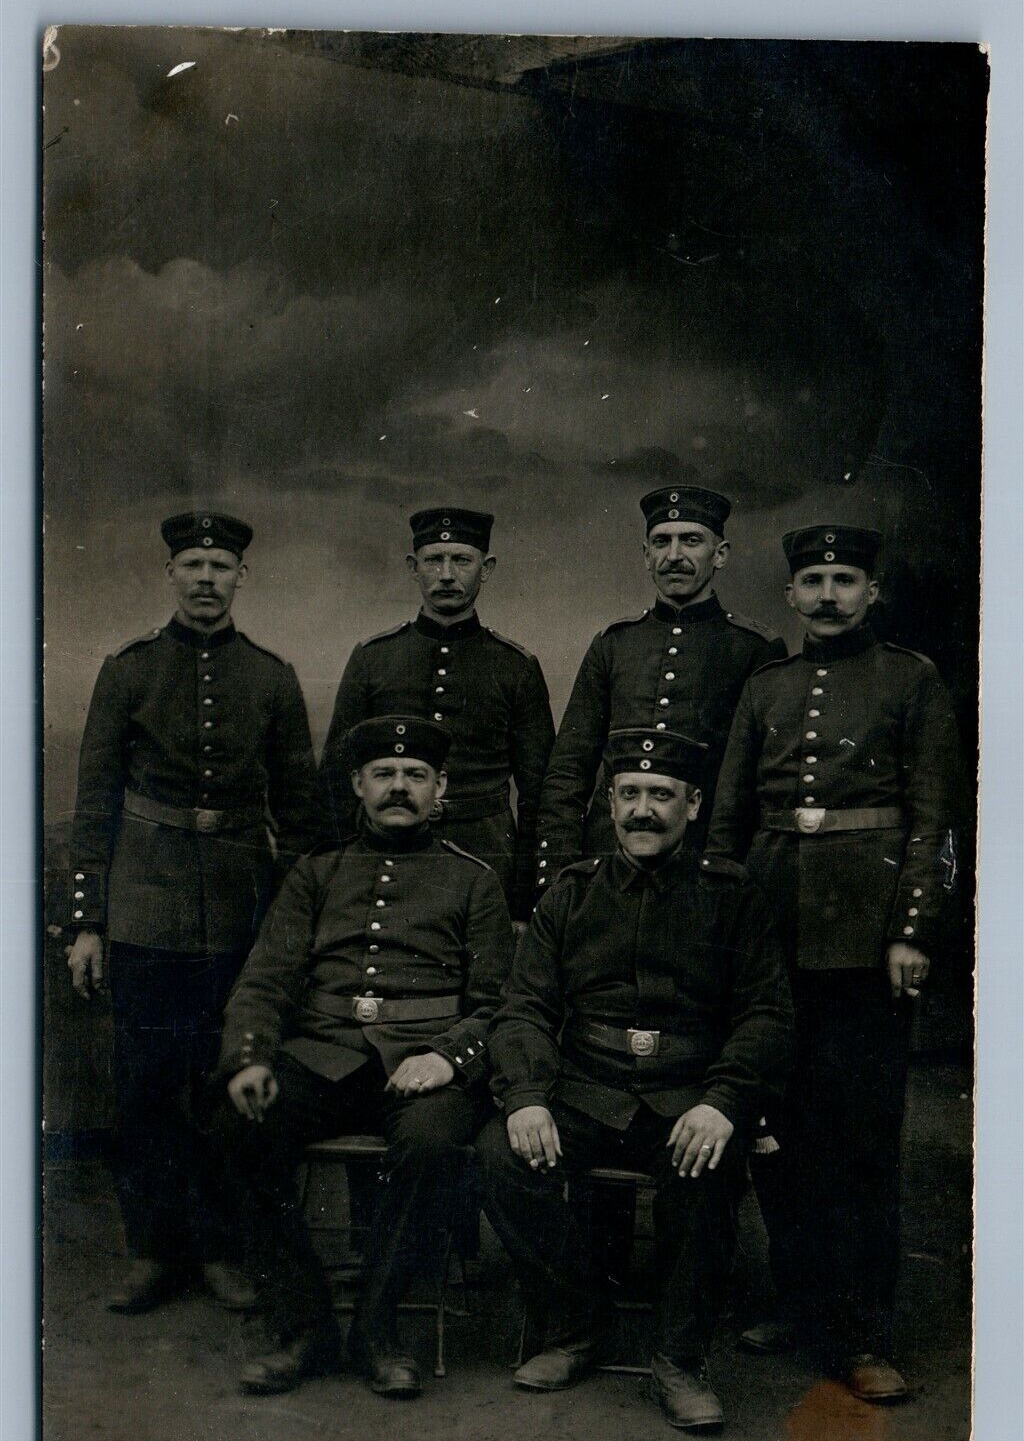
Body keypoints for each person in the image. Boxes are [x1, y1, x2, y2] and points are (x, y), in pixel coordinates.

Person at [704, 524, 961, 1401]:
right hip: (772, 925)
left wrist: (912, 932)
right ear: (789, 595)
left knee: (858, 1141)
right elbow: (729, 820)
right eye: (811, 580)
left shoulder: (912, 680)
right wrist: (723, 930)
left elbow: (936, 821)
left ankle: (862, 1332)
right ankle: (801, 1299)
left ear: (871, 592)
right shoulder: (766, 685)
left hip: (865, 937)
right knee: (777, 1130)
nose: (826, 595)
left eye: (843, 580)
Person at [476, 727, 793, 1431]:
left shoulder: (730, 896)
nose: (642, 810)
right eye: (629, 794)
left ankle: (679, 1359)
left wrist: (723, 1102)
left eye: (660, 795)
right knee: (500, 1156)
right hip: (589, 1089)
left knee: (708, 1167)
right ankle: (575, 1326)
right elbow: (523, 1009)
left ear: (693, 804)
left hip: (687, 1092)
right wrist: (527, 1097)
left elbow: (767, 1014)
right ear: (609, 803)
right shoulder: (572, 895)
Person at [210, 715, 514, 1397]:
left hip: (425, 1066)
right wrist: (252, 1058)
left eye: (414, 777)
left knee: (433, 1146)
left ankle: (378, 1330)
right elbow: (266, 977)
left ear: (440, 790)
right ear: (357, 784)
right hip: (324, 1056)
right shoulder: (317, 873)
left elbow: (503, 1002)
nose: (398, 789)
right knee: (237, 1125)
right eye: (384, 775)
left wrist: (450, 1057)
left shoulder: (474, 881)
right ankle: (304, 1324)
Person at [66, 510, 323, 1314]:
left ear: (241, 578)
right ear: (171, 575)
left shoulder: (272, 677)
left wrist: (298, 923)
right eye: (194, 566)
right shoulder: (129, 670)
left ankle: (222, 1249)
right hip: (144, 905)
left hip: (241, 909)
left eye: (221, 566)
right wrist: (86, 920)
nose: (207, 579)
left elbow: (303, 813)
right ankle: (152, 1249)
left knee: (225, 1083)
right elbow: (95, 802)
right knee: (146, 1086)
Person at [533, 486, 785, 893]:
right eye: (661, 542)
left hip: (703, 861)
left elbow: (755, 779)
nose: (674, 556)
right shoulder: (614, 643)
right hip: (608, 859)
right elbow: (568, 770)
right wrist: (557, 875)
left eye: (691, 540)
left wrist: (723, 868)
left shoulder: (754, 648)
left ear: (719, 555)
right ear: (645, 555)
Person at [319, 508, 554, 922]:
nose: (447, 574)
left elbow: (539, 795)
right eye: (434, 560)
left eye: (461, 560)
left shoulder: (515, 666)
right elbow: (337, 785)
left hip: (485, 853)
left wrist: (522, 899)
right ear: (414, 567)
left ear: (487, 568)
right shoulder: (374, 659)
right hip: (386, 853)